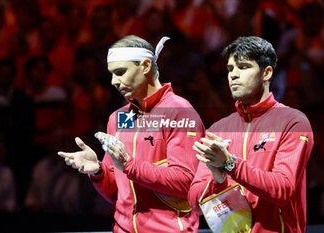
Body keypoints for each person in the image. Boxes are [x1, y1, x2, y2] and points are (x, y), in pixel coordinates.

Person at [58, 35, 205, 232]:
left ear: (145, 66)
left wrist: (129, 165)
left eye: (120, 72)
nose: (113, 81)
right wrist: (97, 172)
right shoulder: (118, 118)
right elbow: (116, 193)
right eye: (111, 74)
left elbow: (187, 182)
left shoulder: (179, 112)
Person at [187, 36, 314, 233]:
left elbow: (282, 189)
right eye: (230, 69)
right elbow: (195, 203)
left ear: (267, 73)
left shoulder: (293, 122)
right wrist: (218, 178)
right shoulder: (217, 130)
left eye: (243, 67)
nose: (233, 75)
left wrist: (230, 164)